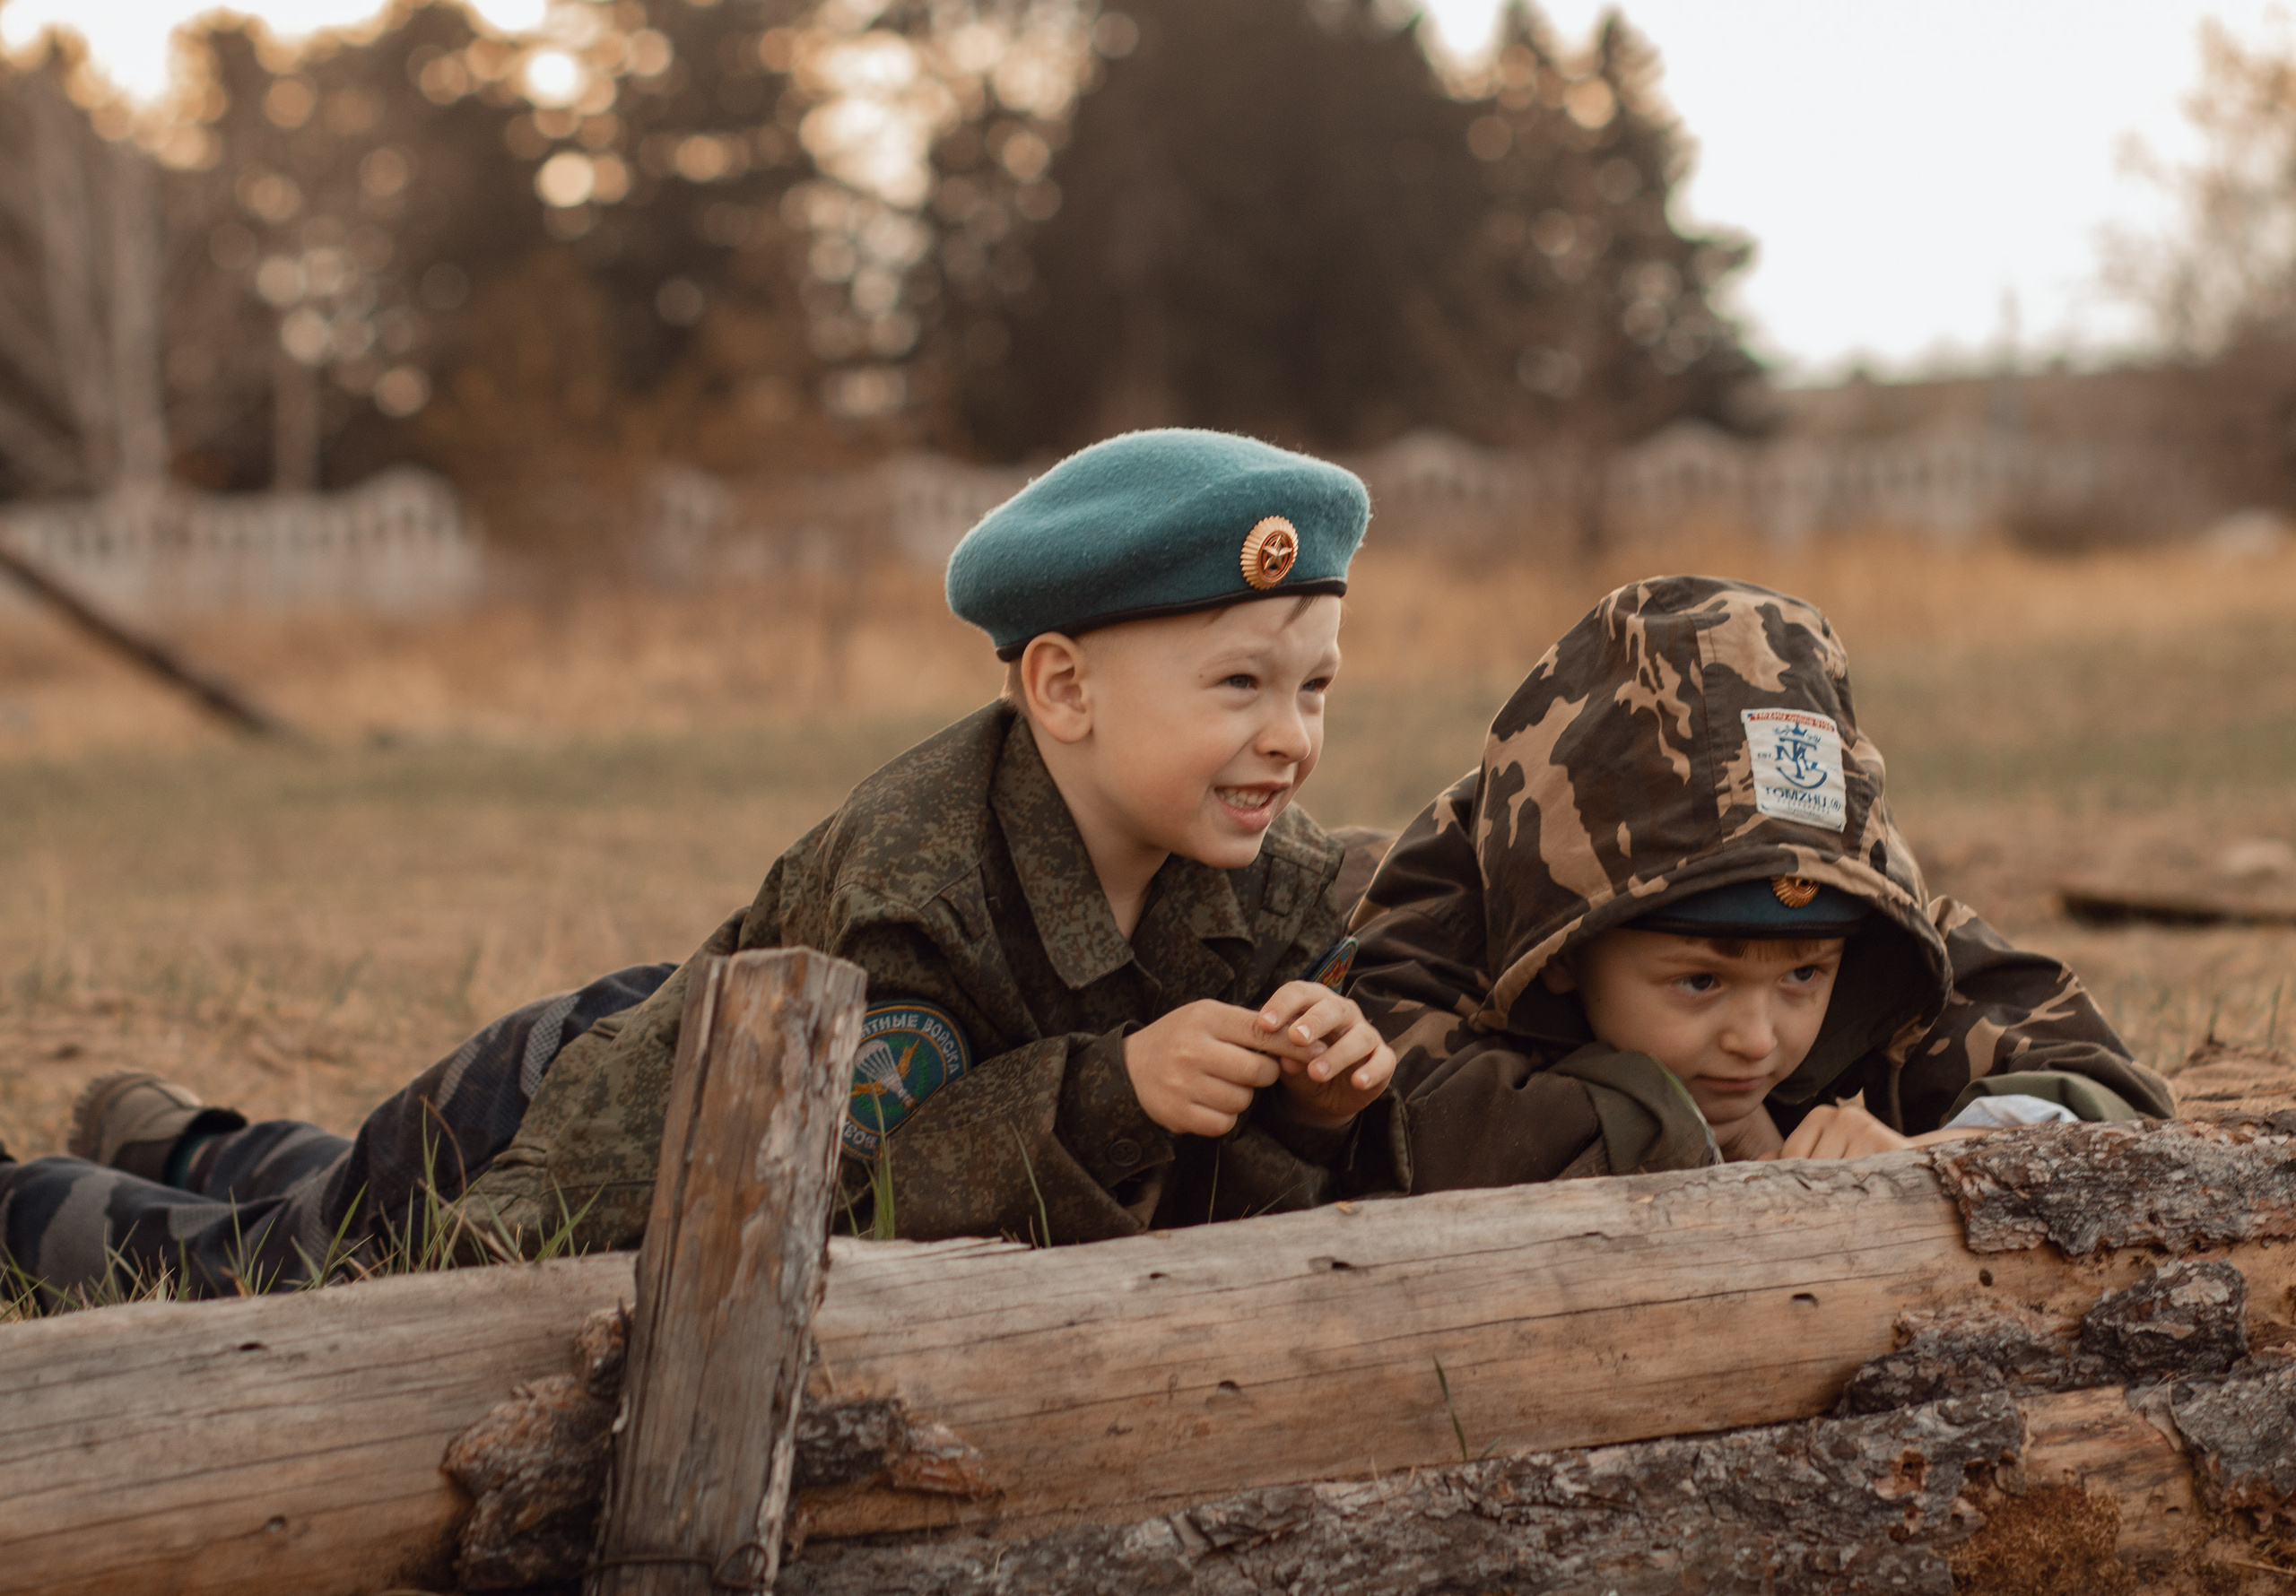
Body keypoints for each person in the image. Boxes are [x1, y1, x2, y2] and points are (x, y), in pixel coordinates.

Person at [0, 429, 1401, 1302]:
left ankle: (171, 1134)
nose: (1288, 739)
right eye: (1237, 685)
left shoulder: (1266, 881)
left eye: (1316, 690)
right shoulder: (916, 890)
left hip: (671, 1063)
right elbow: (832, 1200)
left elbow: (1225, 1200)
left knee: (331, 1197)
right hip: (593, 1139)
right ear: (1063, 689)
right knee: (281, 1279)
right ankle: (39, 1198)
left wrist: (1321, 1098)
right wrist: (1113, 1093)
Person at [1344, 575, 2173, 1190]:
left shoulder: (1884, 951)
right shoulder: (1439, 932)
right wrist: (1702, 1137)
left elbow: (2107, 1094)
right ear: (1571, 950)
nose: (1756, 1038)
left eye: (1804, 975)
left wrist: (1928, 1163)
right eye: (1701, 979)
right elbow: (1410, 1123)